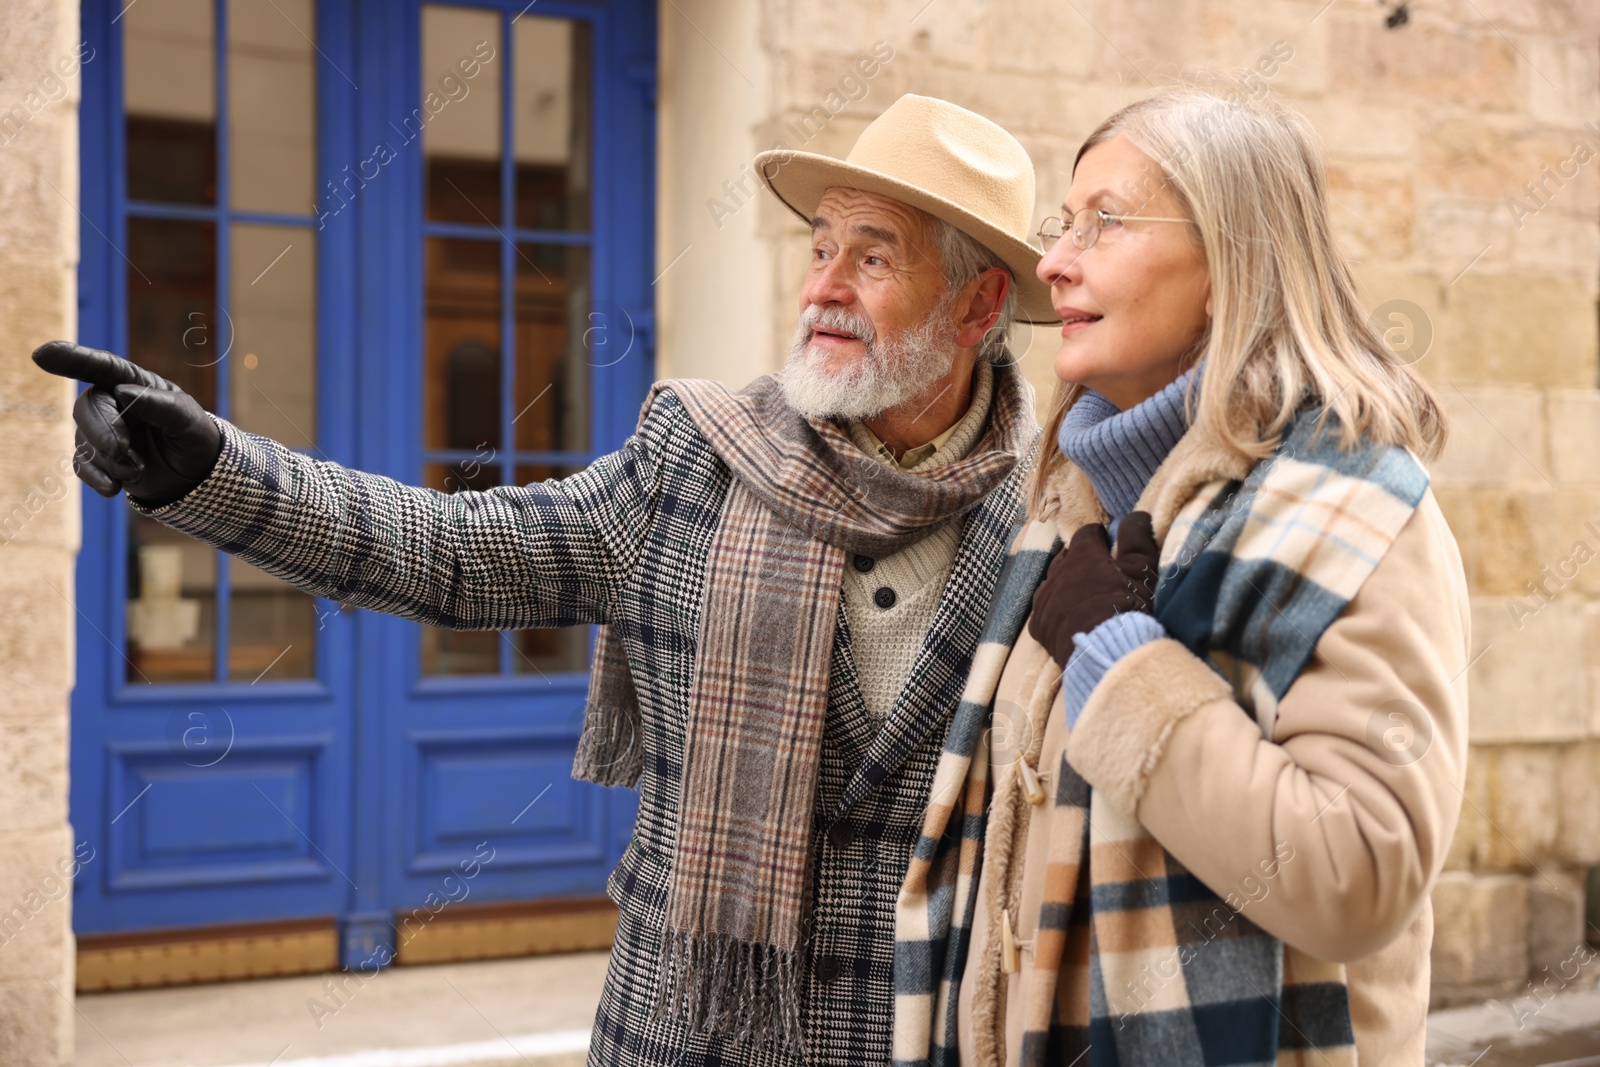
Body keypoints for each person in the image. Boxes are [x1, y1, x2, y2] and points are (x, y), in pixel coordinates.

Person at [36, 94, 1060, 1067]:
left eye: (872, 257)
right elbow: (450, 551)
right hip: (682, 1025)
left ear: (977, 306)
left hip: (925, 1030)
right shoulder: (697, 456)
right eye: (822, 245)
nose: (823, 286)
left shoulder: (1055, 521)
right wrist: (213, 470)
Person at [892, 87, 1469, 1067]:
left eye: (1104, 224)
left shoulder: (1356, 509)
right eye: (1060, 225)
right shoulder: (1071, 511)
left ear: (1230, 260)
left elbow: (1358, 876)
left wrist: (1119, 663)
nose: (1053, 262)